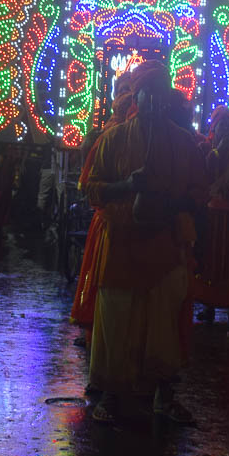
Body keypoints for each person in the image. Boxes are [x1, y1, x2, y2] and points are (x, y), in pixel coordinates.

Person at [85, 61, 206, 424]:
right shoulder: (114, 138)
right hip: (122, 245)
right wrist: (126, 187)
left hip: (164, 246)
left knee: (163, 324)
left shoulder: (185, 143)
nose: (153, 100)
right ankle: (109, 393)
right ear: (135, 95)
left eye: (159, 92)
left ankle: (163, 395)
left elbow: (199, 195)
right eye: (146, 92)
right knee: (116, 319)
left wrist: (171, 204)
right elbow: (90, 187)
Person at [69, 88, 134, 347]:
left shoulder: (112, 134)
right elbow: (91, 184)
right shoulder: (114, 136)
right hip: (112, 220)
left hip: (111, 220)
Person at [195, 106, 229, 317]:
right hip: (212, 212)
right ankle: (208, 303)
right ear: (214, 126)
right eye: (221, 124)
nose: (226, 129)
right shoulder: (207, 148)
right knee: (211, 256)